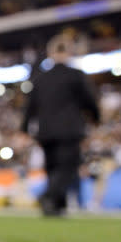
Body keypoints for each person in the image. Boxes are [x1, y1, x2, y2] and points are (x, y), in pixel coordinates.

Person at [21, 35, 99, 216]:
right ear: (70, 52)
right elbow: (89, 101)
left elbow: (30, 107)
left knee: (53, 167)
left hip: (46, 131)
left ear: (50, 53)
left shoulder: (40, 78)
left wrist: (24, 129)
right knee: (67, 168)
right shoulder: (75, 75)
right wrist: (96, 118)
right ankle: (49, 197)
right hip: (69, 130)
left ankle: (56, 206)